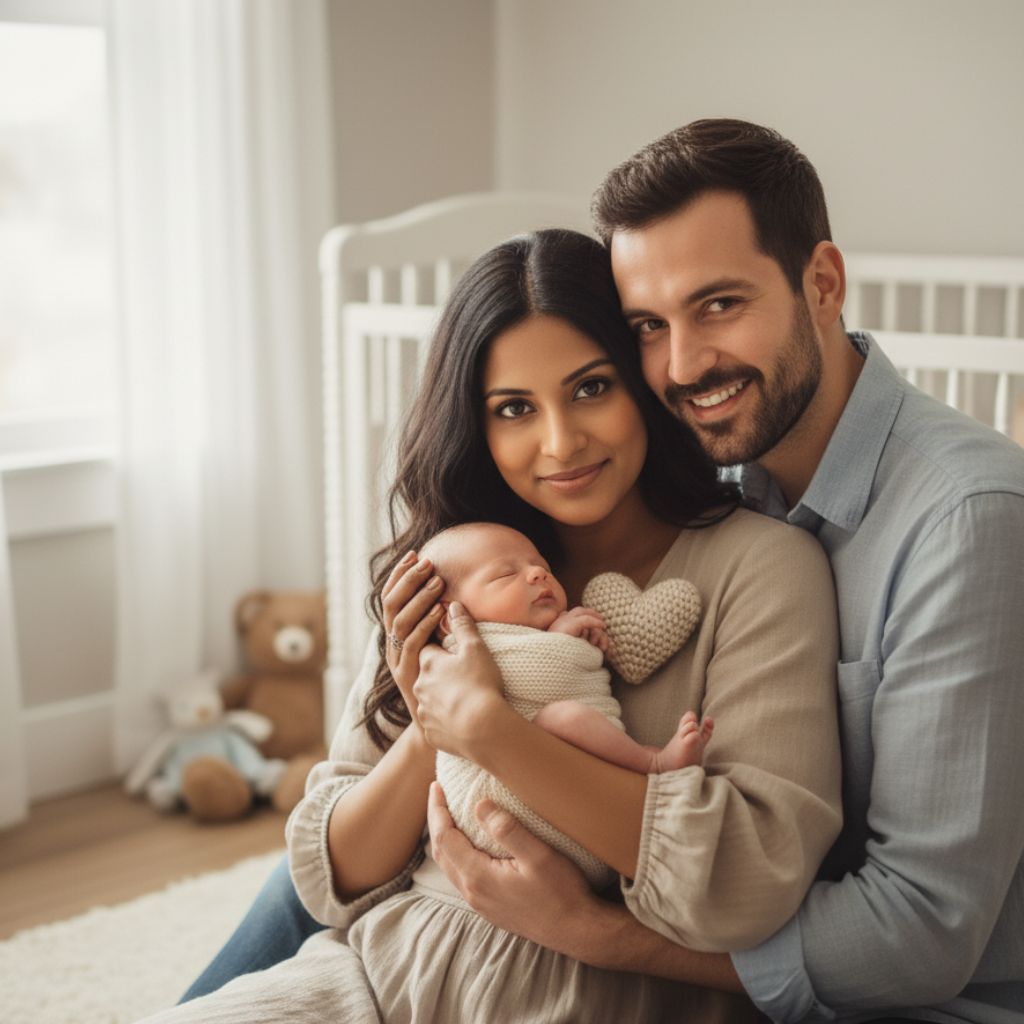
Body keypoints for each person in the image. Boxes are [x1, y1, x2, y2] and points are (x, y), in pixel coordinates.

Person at [152, 227, 842, 1023]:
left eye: (591, 388)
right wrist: (431, 726)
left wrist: (492, 729)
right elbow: (332, 875)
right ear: (476, 426)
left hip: (597, 997)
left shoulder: (761, 567)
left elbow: (747, 882)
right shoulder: (453, 569)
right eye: (514, 408)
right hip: (383, 972)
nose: (560, 441)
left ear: (644, 384)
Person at [418, 120, 1024, 1023]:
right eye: (649, 328)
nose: (684, 365)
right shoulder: (720, 467)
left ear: (822, 283)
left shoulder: (967, 523)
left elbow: (921, 936)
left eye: (719, 305)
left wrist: (596, 932)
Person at [423, 520, 714, 886]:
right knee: (562, 717)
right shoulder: (462, 653)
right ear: (452, 617)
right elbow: (528, 680)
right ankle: (653, 762)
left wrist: (566, 641)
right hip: (493, 807)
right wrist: (564, 645)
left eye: (542, 567)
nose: (536, 575)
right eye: (505, 575)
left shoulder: (530, 635)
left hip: (576, 816)